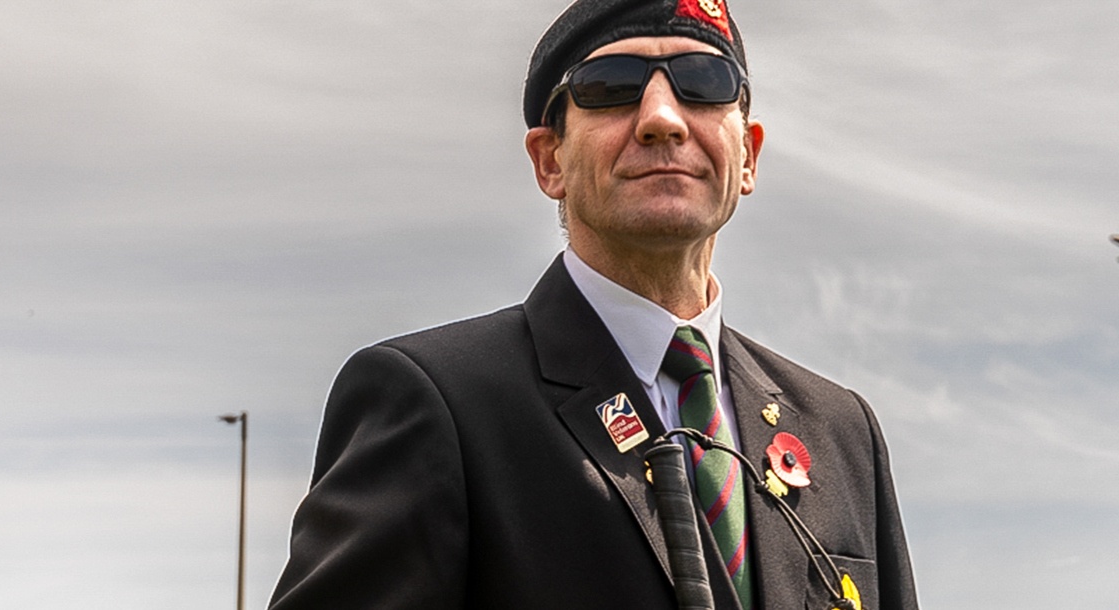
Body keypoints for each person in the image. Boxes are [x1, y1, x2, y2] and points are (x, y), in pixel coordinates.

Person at [268, 1, 918, 608]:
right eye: (611, 87)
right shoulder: (437, 404)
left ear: (747, 155)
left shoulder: (841, 433)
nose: (662, 118)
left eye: (703, 81)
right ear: (549, 159)